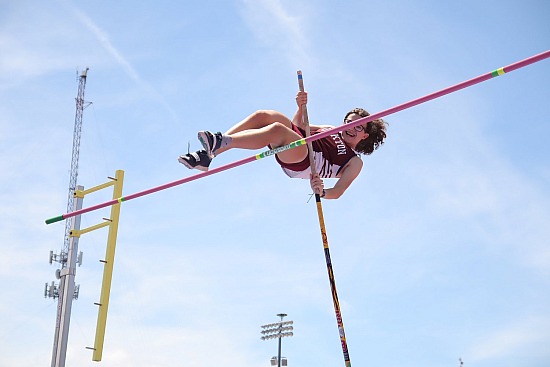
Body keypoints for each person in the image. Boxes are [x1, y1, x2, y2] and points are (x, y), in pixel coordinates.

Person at [178, 91, 387, 199]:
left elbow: (338, 192)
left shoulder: (354, 161)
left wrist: (322, 191)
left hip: (304, 162)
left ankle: (221, 142)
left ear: (365, 135)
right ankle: (210, 153)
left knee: (278, 129)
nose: (350, 126)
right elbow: (298, 125)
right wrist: (300, 106)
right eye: (348, 122)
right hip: (300, 141)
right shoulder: (328, 128)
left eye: (358, 126)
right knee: (265, 115)